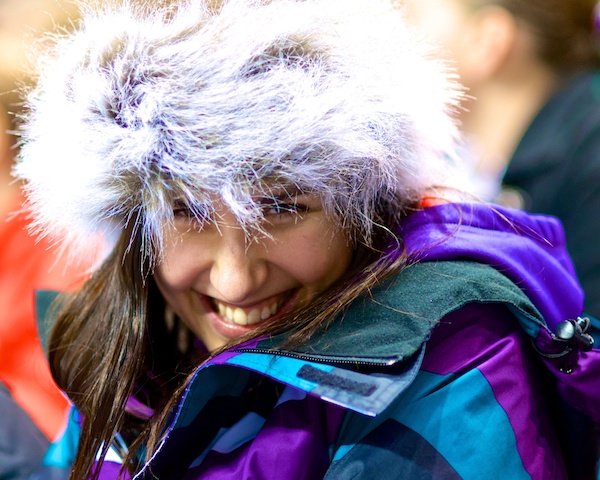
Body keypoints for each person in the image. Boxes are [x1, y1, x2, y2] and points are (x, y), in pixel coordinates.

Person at [12, 0, 600, 478]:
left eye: (284, 208)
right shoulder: (136, 344)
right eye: (187, 213)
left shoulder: (454, 354)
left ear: (363, 203)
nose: (235, 280)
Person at [402, 0, 600, 319]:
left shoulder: (591, 164)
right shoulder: (476, 167)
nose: (396, 37)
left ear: (487, 40)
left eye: (412, 15)